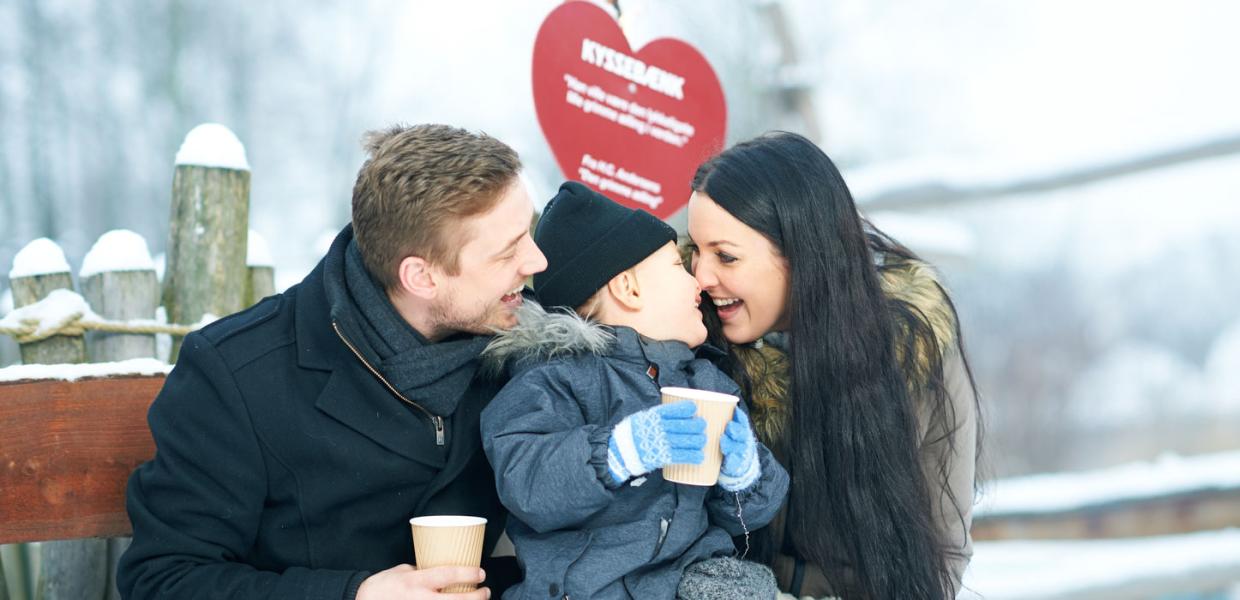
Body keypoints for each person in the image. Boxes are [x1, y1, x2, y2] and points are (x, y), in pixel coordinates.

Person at [118, 124, 548, 600]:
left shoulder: (523, 342)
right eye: (508, 251)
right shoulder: (236, 375)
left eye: (527, 232)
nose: (537, 261)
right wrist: (354, 595)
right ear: (420, 276)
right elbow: (164, 580)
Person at [685, 131, 981, 600]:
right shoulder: (689, 346)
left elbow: (943, 537)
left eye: (726, 255)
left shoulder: (909, 350)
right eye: (696, 250)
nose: (701, 275)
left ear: (800, 254)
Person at [479, 182, 789, 600]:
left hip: (684, 582)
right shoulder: (554, 379)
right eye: (677, 266)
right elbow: (527, 483)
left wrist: (744, 478)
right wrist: (618, 452)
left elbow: (744, 519)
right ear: (629, 289)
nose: (697, 279)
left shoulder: (708, 381)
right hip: (582, 589)